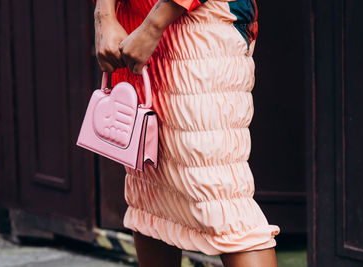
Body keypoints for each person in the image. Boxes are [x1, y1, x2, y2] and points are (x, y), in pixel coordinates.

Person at [92, 0, 281, 266]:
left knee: (219, 195)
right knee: (150, 198)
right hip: (134, 21)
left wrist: (153, 25)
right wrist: (104, 16)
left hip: (196, 25)